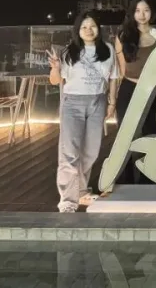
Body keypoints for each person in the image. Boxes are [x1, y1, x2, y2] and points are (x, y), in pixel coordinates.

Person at [49, 12, 118, 212]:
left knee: (91, 151)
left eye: (92, 26)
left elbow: (113, 78)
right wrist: (55, 68)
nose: (88, 30)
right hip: (72, 103)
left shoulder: (108, 50)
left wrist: (112, 103)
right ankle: (68, 200)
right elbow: (55, 81)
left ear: (98, 29)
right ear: (77, 30)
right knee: (69, 153)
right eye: (84, 27)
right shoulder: (69, 52)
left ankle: (80, 191)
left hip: (98, 101)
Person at [113, 0, 156, 184]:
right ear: (132, 13)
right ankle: (125, 180)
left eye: (146, 10)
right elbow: (122, 69)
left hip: (152, 91)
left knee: (151, 134)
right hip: (129, 88)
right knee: (126, 135)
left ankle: (148, 179)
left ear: (152, 12)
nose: (142, 15)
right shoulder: (123, 36)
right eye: (138, 10)